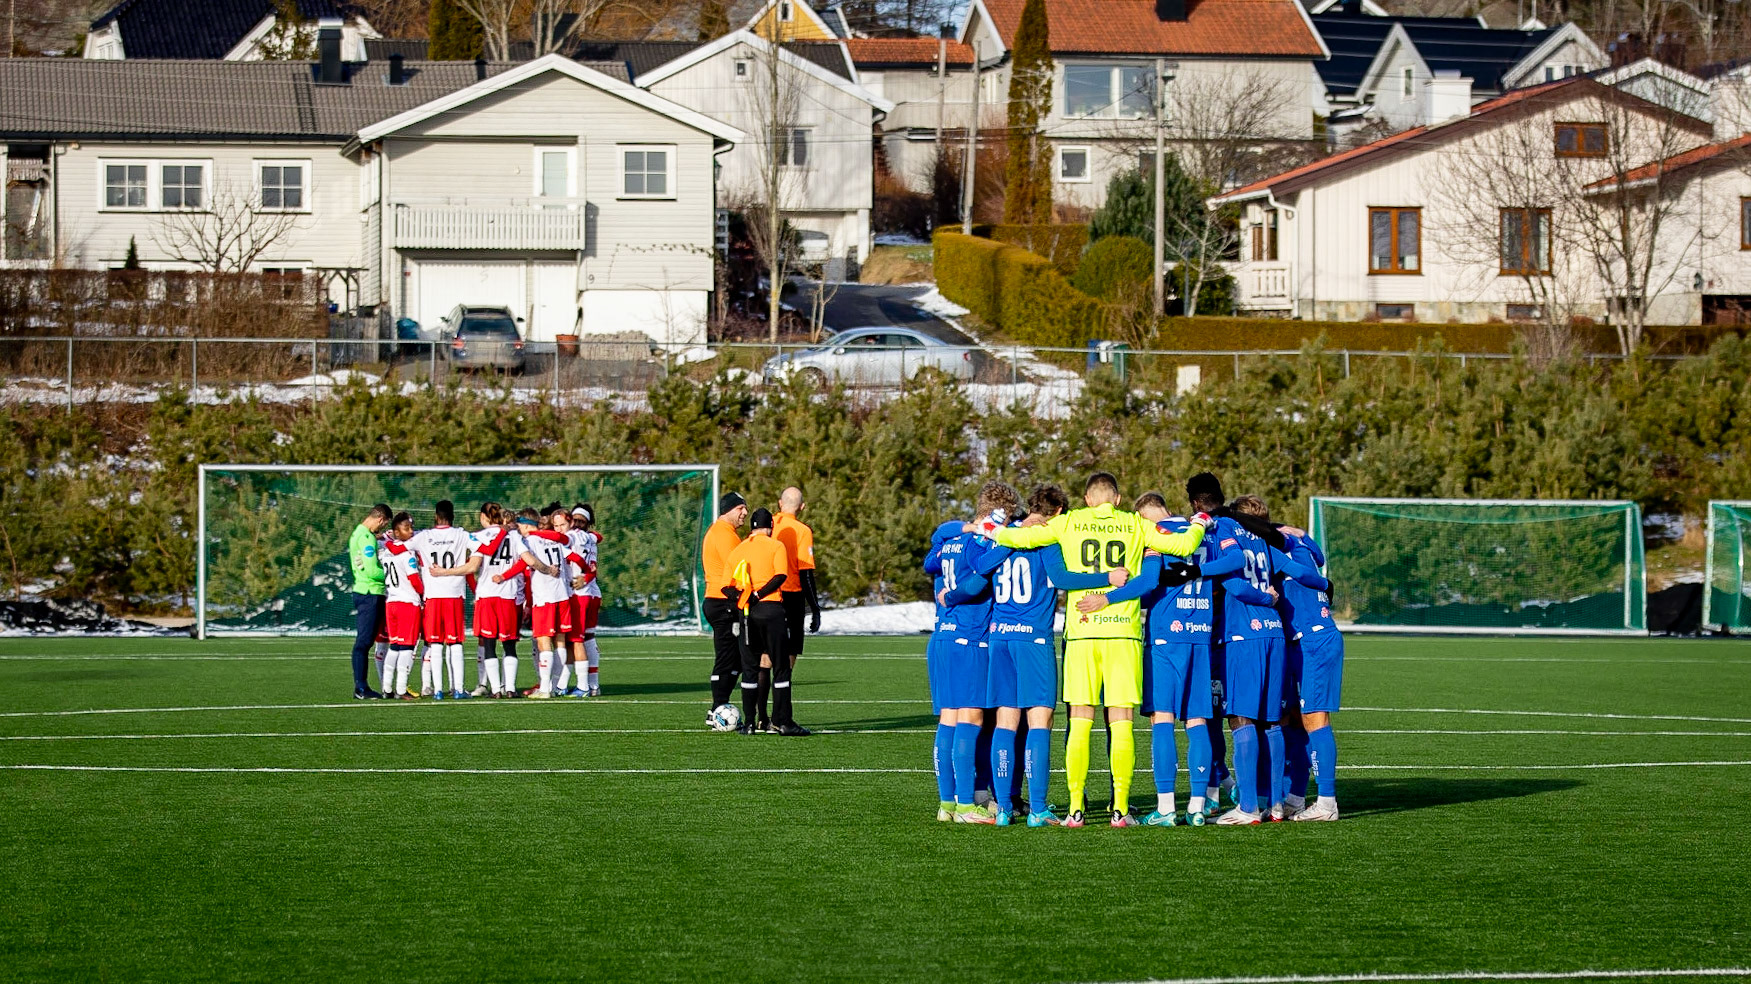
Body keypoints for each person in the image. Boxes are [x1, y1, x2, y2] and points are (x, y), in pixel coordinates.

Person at [986, 472, 1210, 828]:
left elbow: (1019, 538)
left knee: (1080, 721)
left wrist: (991, 529)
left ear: (1088, 499)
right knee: (1120, 722)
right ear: (1118, 499)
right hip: (1123, 635)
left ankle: (1075, 809)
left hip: (1082, 634)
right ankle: (1120, 809)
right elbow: (1183, 548)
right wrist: (1199, 521)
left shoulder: (1069, 521)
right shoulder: (1136, 524)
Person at [959, 485, 1119, 827]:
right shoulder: (1046, 537)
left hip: (1000, 636)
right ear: (1059, 510)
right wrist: (1107, 577)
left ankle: (1002, 808)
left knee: (1005, 720)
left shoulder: (1008, 535)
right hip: (1033, 638)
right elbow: (1061, 578)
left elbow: (979, 566)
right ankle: (1040, 809)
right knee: (1040, 721)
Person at [932, 482, 1020, 824]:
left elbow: (930, 558)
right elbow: (981, 576)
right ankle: (968, 804)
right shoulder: (983, 541)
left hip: (943, 636)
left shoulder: (952, 538)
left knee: (950, 719)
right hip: (970, 638)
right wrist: (1010, 539)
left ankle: (948, 804)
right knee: (972, 719)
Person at [431, 503, 550, 698]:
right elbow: (528, 560)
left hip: (486, 595)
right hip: (509, 596)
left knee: (488, 644)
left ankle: (495, 689)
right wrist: (548, 569)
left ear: (483, 517)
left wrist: (445, 572)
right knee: (509, 644)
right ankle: (510, 688)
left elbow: (472, 567)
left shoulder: (479, 536)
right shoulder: (514, 536)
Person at [1276, 526, 1344, 821]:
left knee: (1315, 718)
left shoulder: (1283, 551)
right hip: (1299, 641)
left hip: (1315, 640)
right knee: (1293, 717)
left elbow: (1310, 569)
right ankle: (1296, 796)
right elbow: (1317, 552)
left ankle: (1327, 803)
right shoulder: (1300, 545)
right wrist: (1300, 533)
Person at [724, 508, 807, 735]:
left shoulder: (739, 549)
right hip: (771, 611)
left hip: (748, 615)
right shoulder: (776, 545)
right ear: (770, 527)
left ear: (752, 527)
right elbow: (780, 576)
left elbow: (725, 586)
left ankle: (750, 723)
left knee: (750, 669)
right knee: (781, 668)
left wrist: (744, 597)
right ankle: (784, 722)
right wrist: (759, 594)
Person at [497, 504, 582, 698]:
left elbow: (523, 563)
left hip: (545, 598)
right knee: (559, 641)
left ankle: (545, 688)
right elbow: (566, 543)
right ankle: (558, 685)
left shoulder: (529, 541)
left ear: (526, 525)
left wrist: (503, 576)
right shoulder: (553, 539)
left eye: (519, 525)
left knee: (543, 642)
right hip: (562, 595)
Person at [410, 500, 475, 700]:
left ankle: (437, 690)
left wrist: (383, 537)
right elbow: (484, 547)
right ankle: (458, 689)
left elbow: (399, 548)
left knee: (435, 643)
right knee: (455, 643)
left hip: (433, 596)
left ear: (436, 516)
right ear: (452, 515)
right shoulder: (461, 534)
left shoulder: (424, 536)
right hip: (454, 595)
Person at [769, 487, 822, 730]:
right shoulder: (802, 531)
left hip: (766, 596)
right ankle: (782, 717)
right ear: (802, 507)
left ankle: (760, 717)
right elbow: (806, 572)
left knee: (765, 658)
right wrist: (815, 608)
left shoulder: (767, 526)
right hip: (790, 596)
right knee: (787, 661)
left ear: (780, 503)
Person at [702, 493, 748, 720]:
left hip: (720, 601)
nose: (745, 513)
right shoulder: (724, 534)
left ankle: (718, 706)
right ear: (728, 509)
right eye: (741, 508)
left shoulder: (724, 532)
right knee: (726, 657)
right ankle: (717, 709)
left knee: (737, 658)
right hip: (723, 602)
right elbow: (740, 571)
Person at [347, 503, 392, 700]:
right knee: (364, 642)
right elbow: (373, 571)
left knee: (365, 642)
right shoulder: (366, 538)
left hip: (363, 590)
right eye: (383, 525)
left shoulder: (357, 533)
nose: (381, 529)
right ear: (380, 519)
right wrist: (392, 574)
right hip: (370, 593)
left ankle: (362, 686)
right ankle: (361, 687)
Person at [380, 512, 425, 701]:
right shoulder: (407, 554)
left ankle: (387, 687)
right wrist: (424, 594)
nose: (411, 532)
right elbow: (414, 579)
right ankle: (400, 689)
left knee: (395, 646)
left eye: (411, 528)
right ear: (396, 532)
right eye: (407, 528)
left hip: (391, 602)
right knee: (407, 647)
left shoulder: (385, 551)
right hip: (408, 603)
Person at [572, 503, 604, 696]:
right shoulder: (591, 538)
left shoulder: (573, 537)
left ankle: (582, 686)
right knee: (589, 638)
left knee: (577, 639)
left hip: (580, 594)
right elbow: (593, 569)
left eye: (580, 521)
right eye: (574, 520)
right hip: (593, 593)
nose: (576, 524)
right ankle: (593, 685)